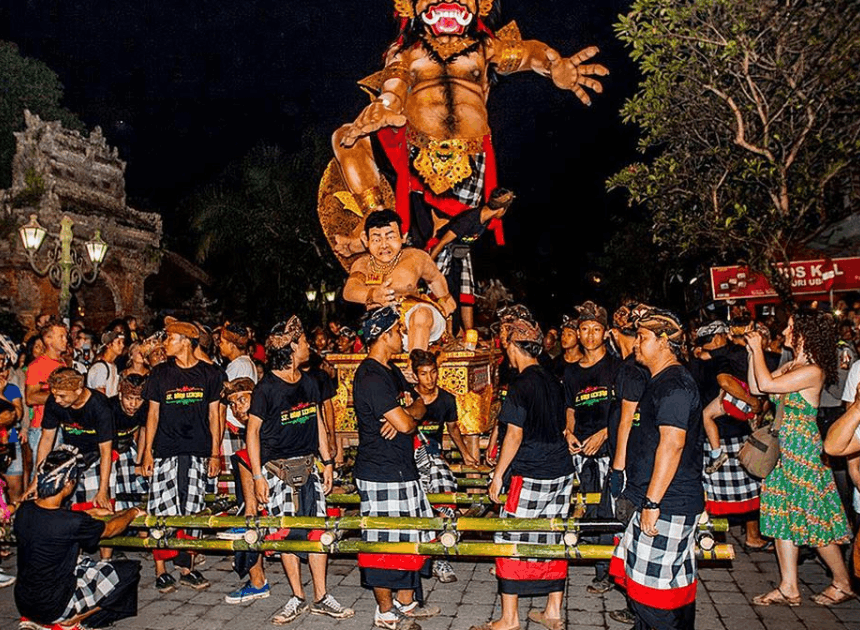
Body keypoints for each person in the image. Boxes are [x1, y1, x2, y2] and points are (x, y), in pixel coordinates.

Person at [227, 316, 354, 624]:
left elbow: (316, 421)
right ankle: (297, 596)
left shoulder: (309, 382)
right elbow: (252, 433)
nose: (309, 345)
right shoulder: (267, 388)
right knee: (285, 534)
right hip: (277, 471)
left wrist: (327, 462)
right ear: (292, 347)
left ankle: (321, 597)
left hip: (309, 468)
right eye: (305, 341)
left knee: (317, 531)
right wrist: (258, 476)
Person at [746, 311, 853, 607]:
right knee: (781, 515)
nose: (784, 331)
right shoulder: (793, 365)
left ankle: (843, 582)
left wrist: (758, 350)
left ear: (805, 334)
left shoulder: (813, 371)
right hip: (784, 450)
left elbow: (767, 385)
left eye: (791, 327)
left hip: (803, 451)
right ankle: (789, 587)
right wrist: (751, 353)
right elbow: (756, 387)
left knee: (813, 517)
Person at [609, 306, 704, 630]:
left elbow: (672, 444)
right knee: (661, 589)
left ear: (664, 342)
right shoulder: (660, 380)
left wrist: (652, 503)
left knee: (653, 597)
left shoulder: (674, 384)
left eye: (643, 337)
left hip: (668, 503)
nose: (636, 343)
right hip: (659, 499)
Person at [480, 307, 574, 630]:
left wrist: (498, 476)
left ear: (512, 346)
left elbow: (514, 435)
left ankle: (509, 618)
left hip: (530, 472)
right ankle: (553, 611)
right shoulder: (552, 379)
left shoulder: (520, 384)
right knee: (553, 536)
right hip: (561, 470)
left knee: (511, 537)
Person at [353, 307, 439, 630]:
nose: (403, 336)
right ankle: (386, 612)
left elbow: (420, 403)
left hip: (402, 468)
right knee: (383, 545)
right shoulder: (371, 376)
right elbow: (405, 423)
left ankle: (406, 602)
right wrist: (404, 418)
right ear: (384, 335)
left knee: (410, 537)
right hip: (380, 472)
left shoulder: (391, 371)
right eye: (398, 331)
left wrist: (406, 414)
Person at [15, 446, 143, 630]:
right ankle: (74, 620)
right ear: (68, 484)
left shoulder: (25, 510)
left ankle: (38, 620)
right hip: (53, 607)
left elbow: (57, 518)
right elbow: (111, 529)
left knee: (84, 563)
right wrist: (132, 512)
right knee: (129, 572)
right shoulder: (71, 522)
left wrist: (90, 512)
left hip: (24, 602)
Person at [141, 319, 223, 593]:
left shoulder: (209, 374)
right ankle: (161, 570)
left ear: (186, 342)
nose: (165, 343)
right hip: (166, 450)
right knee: (162, 509)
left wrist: (215, 453)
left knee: (192, 510)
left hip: (197, 450)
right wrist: (147, 453)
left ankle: (187, 568)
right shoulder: (160, 373)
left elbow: (214, 416)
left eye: (170, 338)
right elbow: (152, 415)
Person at [694, 320, 769, 551]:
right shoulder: (724, 357)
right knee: (748, 486)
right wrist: (752, 401)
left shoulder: (697, 359)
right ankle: (751, 536)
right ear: (719, 337)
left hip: (709, 433)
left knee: (713, 491)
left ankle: (711, 538)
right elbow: (725, 381)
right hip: (731, 428)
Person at [562, 301, 620, 594]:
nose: (589, 335)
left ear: (606, 332)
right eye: (584, 329)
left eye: (596, 329)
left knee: (610, 511)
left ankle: (606, 572)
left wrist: (605, 434)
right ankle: (592, 557)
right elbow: (570, 407)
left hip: (611, 450)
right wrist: (569, 432)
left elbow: (627, 409)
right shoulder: (572, 372)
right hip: (582, 451)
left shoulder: (617, 367)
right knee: (588, 508)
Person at [342, 209, 456, 352]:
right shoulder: (362, 264)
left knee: (421, 314)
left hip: (418, 320)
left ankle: (416, 362)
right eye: (377, 239)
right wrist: (373, 294)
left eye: (390, 237)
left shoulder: (416, 258)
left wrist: (445, 299)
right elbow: (349, 291)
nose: (384, 245)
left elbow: (435, 279)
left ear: (403, 237)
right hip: (381, 325)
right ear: (366, 239)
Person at [604, 303, 649, 626]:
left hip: (632, 460)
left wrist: (618, 467)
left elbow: (627, 419)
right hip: (639, 455)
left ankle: (638, 607)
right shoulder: (635, 365)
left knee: (632, 534)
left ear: (614, 333)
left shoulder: (631, 369)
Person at [409, 349, 469, 584]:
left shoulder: (446, 399)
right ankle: (421, 556)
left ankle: (440, 555)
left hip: (434, 457)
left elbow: (453, 428)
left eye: (433, 372)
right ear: (416, 376)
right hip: (412, 456)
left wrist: (466, 454)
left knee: (444, 496)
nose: (430, 378)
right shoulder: (408, 398)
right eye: (424, 374)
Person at [426, 188, 515, 332]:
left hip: (461, 251)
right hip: (444, 250)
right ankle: (437, 330)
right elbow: (442, 242)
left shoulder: (485, 219)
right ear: (501, 210)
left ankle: (469, 332)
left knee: (466, 290)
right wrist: (427, 265)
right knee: (436, 289)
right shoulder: (470, 219)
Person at [34, 368, 115, 512]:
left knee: (94, 506)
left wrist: (103, 489)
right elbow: (46, 439)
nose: (57, 400)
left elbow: (105, 451)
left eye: (62, 396)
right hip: (71, 454)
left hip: (96, 456)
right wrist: (37, 480)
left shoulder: (100, 406)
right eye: (54, 395)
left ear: (78, 390)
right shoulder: (54, 401)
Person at [217, 322, 258, 495]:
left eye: (222, 342)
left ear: (232, 345)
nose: (219, 345)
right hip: (239, 427)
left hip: (232, 426)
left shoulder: (237, 365)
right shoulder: (247, 362)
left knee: (230, 476)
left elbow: (226, 399)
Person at [25, 322, 68, 469]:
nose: (65, 340)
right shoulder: (37, 365)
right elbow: (30, 398)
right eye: (61, 336)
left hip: (61, 426)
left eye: (66, 336)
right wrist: (60, 394)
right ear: (48, 339)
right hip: (42, 428)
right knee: (43, 472)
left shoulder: (62, 363)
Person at [111, 373, 149, 510]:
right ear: (120, 395)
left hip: (129, 446)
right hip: (109, 450)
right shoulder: (110, 408)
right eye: (129, 399)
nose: (133, 404)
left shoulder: (145, 408)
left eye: (138, 399)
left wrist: (138, 462)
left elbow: (143, 432)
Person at [0, 356, 25, 503]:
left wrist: (1, 394)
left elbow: (17, 415)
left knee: (15, 490)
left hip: (11, 442)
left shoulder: (11, 388)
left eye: (4, 369)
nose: (3, 373)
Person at [86, 330, 127, 398]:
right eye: (119, 342)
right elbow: (99, 397)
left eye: (123, 342)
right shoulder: (100, 368)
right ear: (108, 345)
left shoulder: (113, 366)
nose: (122, 346)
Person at [550, 314, 583, 381]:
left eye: (569, 335)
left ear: (579, 336)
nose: (564, 338)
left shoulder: (586, 362)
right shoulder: (556, 362)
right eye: (563, 334)